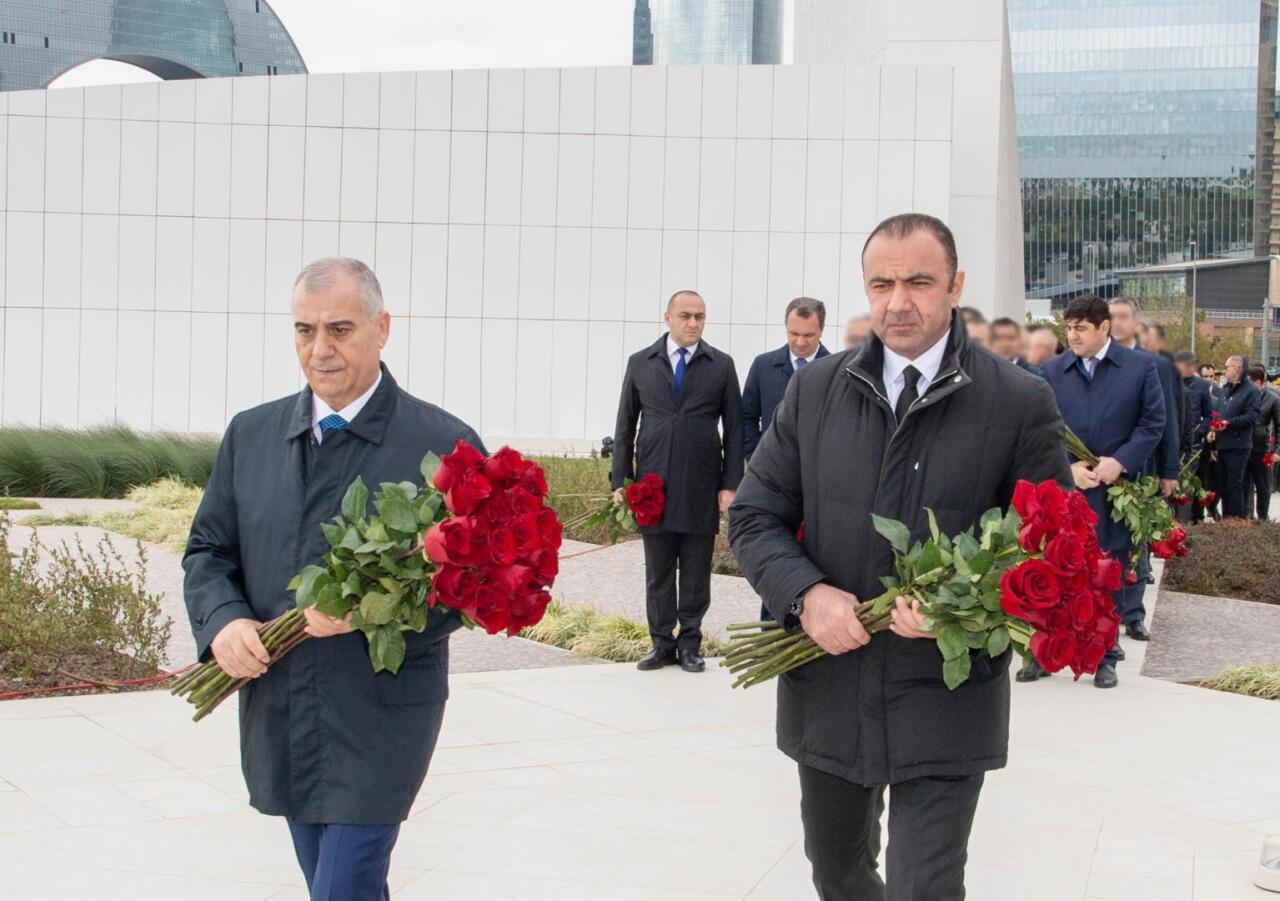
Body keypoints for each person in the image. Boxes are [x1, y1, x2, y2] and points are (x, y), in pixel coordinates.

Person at [729, 214, 1071, 900]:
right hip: (829, 685)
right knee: (837, 870)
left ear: (955, 286)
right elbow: (753, 514)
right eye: (881, 282)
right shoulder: (816, 390)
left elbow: (1050, 550)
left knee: (924, 886)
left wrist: (963, 613)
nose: (898, 300)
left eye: (919, 280)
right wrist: (807, 595)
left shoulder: (1017, 401)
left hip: (947, 696)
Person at [183, 258, 484, 901]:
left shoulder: (445, 445)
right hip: (283, 706)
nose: (320, 350)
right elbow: (208, 550)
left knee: (341, 888)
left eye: (340, 329)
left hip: (381, 713)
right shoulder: (252, 435)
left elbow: (474, 582)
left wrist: (375, 613)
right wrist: (224, 621)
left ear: (382, 328)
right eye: (304, 330)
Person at [1028, 294, 1165, 688]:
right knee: (1051, 571)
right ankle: (1042, 652)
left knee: (1108, 576)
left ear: (1104, 328)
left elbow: (1152, 423)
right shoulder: (1053, 371)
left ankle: (1104, 657)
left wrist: (1118, 462)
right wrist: (1066, 468)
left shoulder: (1140, 368)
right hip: (1067, 492)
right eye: (1068, 328)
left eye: (1080, 328)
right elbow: (1040, 428)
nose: (1072, 335)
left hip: (1113, 491)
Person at [611, 290, 744, 673]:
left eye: (700, 317)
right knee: (659, 571)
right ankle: (660, 644)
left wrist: (730, 484)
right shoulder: (641, 364)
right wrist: (622, 479)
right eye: (685, 316)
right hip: (653, 487)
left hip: (701, 484)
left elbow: (735, 430)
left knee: (697, 569)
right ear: (667, 317)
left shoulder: (720, 365)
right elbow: (623, 427)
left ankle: (690, 643)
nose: (693, 323)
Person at [1108, 298, 1181, 626]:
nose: (1117, 323)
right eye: (1111, 317)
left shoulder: (1155, 365)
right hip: (1100, 467)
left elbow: (1167, 420)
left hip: (1143, 467)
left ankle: (1133, 614)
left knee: (1137, 540)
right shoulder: (1095, 361)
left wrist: (1169, 469)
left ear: (1136, 323)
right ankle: (1105, 612)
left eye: (1123, 317)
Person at [742, 297, 831, 459]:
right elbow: (747, 417)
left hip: (820, 471)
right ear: (786, 327)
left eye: (809, 335)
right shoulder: (763, 366)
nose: (800, 342)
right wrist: (756, 457)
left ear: (822, 329)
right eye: (794, 333)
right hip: (771, 469)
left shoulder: (836, 371)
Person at [1209, 355, 1260, 518]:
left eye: (1227, 367)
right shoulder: (1225, 389)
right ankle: (1226, 519)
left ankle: (1236, 521)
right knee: (1222, 485)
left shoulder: (1250, 390)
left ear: (1237, 367)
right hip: (1223, 444)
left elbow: (1252, 416)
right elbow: (1219, 413)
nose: (1225, 370)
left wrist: (1229, 423)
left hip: (1239, 445)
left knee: (1234, 485)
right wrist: (1214, 431)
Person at [1174, 351, 1215, 524]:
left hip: (1193, 444)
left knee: (1185, 486)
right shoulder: (1170, 383)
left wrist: (1200, 431)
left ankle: (1183, 525)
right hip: (1172, 442)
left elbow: (1208, 414)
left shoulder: (1201, 386)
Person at [1246, 365, 1280, 520]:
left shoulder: (1273, 399)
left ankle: (1263, 517)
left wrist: (1276, 451)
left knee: (1263, 485)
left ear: (1258, 382)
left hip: (1262, 448)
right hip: (1244, 446)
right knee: (1245, 485)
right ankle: (1247, 516)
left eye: (1249, 382)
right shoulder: (1244, 396)